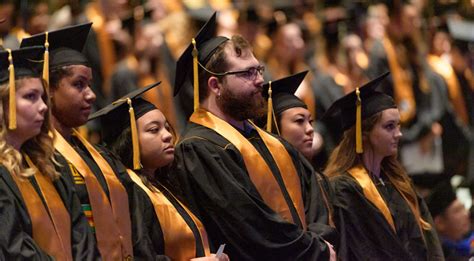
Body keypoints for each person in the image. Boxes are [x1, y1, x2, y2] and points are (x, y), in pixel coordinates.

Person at [172, 12, 335, 260]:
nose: (260, 81)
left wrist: (320, 240)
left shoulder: (270, 141)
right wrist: (312, 250)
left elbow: (313, 197)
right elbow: (249, 224)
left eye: (259, 70)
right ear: (215, 86)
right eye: (247, 73)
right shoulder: (199, 149)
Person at [20, 23, 158, 260]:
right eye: (78, 84)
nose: (91, 95)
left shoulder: (101, 157)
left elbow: (137, 233)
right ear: (48, 90)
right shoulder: (36, 162)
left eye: (90, 84)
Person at [89, 83, 229, 261]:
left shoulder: (163, 185)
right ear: (128, 140)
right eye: (154, 130)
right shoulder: (129, 192)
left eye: (167, 127)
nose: (167, 136)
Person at [323, 72, 444, 260]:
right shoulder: (345, 189)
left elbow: (429, 239)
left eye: (398, 126)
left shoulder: (398, 181)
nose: (399, 134)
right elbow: (362, 250)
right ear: (364, 133)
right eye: (389, 127)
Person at [0, 46, 97, 260]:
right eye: (30, 97)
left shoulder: (46, 164)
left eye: (43, 97)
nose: (44, 107)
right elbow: (13, 248)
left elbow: (82, 236)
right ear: (3, 105)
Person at [261, 71, 338, 246]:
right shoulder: (265, 179)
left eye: (310, 121)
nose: (310, 128)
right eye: (299, 121)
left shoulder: (318, 178)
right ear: (275, 127)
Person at [425, 180, 473, 260]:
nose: (466, 214)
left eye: (463, 208)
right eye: (457, 210)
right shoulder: (435, 256)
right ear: (440, 223)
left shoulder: (467, 245)